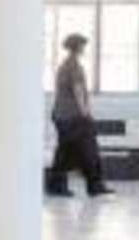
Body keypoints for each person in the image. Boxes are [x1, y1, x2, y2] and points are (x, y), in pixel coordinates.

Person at [45, 33, 108, 198]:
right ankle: (94, 186)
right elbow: (78, 91)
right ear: (78, 47)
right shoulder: (74, 66)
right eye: (83, 45)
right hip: (73, 116)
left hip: (61, 115)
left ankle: (56, 186)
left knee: (65, 151)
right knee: (89, 149)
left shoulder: (64, 65)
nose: (84, 48)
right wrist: (86, 114)